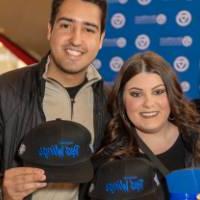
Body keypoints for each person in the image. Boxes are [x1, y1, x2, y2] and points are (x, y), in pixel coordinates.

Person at [0, 0, 109, 199]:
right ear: (50, 30)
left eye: (89, 29)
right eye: (66, 25)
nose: (76, 40)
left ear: (101, 39)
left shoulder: (111, 102)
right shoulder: (4, 91)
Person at [88, 51, 200, 199]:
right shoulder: (107, 161)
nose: (148, 103)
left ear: (171, 94)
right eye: (136, 94)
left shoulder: (196, 140)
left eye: (158, 92)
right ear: (122, 101)